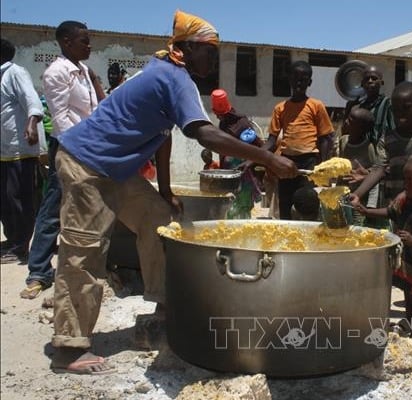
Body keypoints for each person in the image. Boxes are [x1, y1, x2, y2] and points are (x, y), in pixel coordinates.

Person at [48, 10, 297, 375]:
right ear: (186, 48)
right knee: (84, 251)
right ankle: (69, 348)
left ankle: (164, 304)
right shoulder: (174, 77)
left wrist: (165, 190)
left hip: (114, 169)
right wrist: (268, 158)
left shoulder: (163, 72)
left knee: (161, 219)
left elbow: (162, 136)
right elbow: (203, 132)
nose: (213, 59)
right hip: (87, 163)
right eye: (208, 51)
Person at [21, 21, 103, 299]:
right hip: (69, 147)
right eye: (84, 41)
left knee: (84, 207)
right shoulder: (57, 73)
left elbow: (92, 110)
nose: (89, 45)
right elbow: (61, 117)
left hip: (87, 145)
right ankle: (38, 272)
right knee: (54, 206)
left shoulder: (83, 72)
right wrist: (80, 150)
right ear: (66, 42)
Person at [354, 154, 412, 346]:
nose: (406, 184)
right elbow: (391, 212)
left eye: (410, 180)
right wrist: (366, 211)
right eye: (405, 179)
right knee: (409, 296)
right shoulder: (405, 199)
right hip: (407, 260)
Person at [347, 81, 412, 230]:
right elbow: (380, 168)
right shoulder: (389, 139)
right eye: (395, 110)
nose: (400, 114)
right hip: (398, 209)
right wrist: (357, 194)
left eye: (406, 108)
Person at [262, 60, 334, 220]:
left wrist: (323, 165)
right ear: (289, 79)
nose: (299, 81)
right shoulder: (280, 108)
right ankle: (288, 238)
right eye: (295, 77)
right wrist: (252, 158)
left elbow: (325, 138)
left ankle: (310, 235)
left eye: (304, 78)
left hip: (309, 161)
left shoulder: (316, 106)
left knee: (307, 202)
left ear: (310, 82)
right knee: (285, 203)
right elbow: (271, 141)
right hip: (286, 162)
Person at [0, 38, 44, 264]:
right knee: (4, 201)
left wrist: (31, 124)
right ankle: (11, 239)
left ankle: (20, 248)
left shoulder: (15, 73)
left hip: (20, 148)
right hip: (3, 149)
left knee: (17, 199)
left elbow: (32, 100)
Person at [212, 88, 263, 219]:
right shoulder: (223, 124)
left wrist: (248, 162)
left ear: (227, 112)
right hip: (228, 176)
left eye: (219, 114)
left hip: (244, 176)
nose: (217, 116)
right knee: (228, 208)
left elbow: (260, 148)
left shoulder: (242, 124)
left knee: (242, 209)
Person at [338, 106, 381, 225]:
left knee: (358, 227)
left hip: (361, 200)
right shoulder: (343, 141)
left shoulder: (369, 148)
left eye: (351, 121)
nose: (346, 121)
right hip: (343, 196)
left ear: (362, 129)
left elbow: (375, 174)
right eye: (348, 118)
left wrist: (371, 206)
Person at [344, 64, 395, 144]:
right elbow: (346, 132)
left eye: (374, 78)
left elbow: (393, 131)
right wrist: (348, 110)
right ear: (362, 84)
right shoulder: (357, 107)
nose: (370, 81)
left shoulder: (388, 104)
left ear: (381, 82)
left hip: (381, 151)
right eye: (366, 79)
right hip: (360, 151)